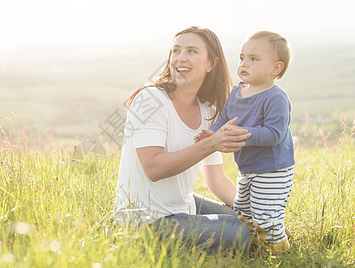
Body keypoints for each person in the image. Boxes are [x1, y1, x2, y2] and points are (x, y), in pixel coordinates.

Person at [114, 26, 252, 253]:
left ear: (211, 64)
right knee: (239, 232)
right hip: (147, 222)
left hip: (182, 207)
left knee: (245, 220)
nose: (180, 58)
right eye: (176, 50)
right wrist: (211, 143)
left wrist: (261, 218)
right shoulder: (150, 99)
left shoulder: (209, 111)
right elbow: (153, 167)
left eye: (191, 51)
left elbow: (216, 180)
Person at [195, 31, 295, 253]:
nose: (244, 64)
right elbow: (224, 118)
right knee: (243, 211)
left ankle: (277, 250)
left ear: (276, 69)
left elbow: (273, 134)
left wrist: (241, 133)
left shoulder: (275, 97)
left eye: (254, 59)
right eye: (242, 58)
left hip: (272, 170)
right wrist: (212, 133)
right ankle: (253, 245)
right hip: (247, 168)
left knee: (265, 214)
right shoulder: (238, 91)